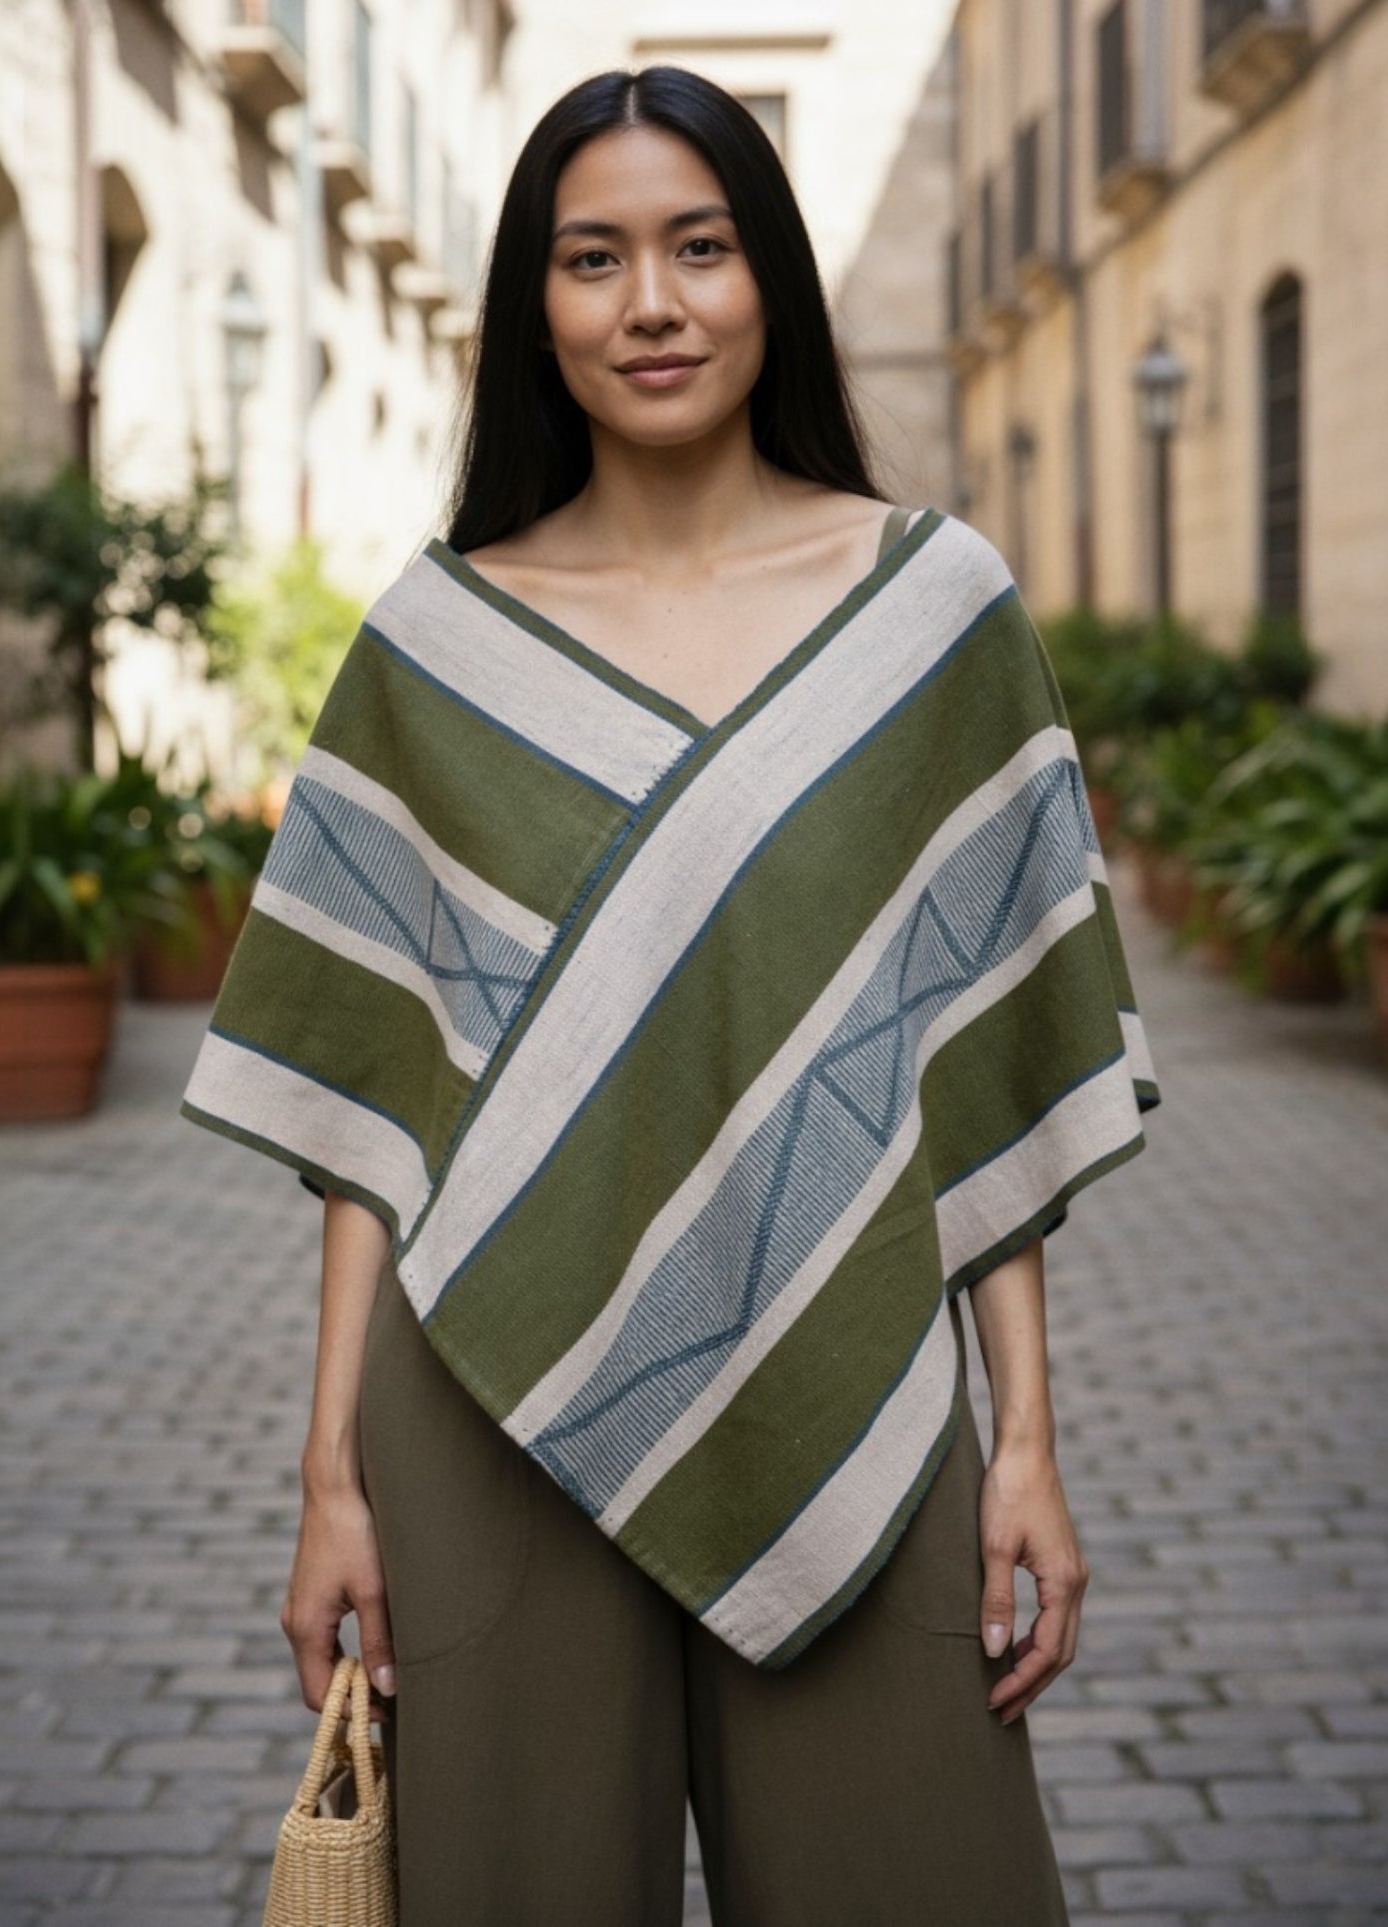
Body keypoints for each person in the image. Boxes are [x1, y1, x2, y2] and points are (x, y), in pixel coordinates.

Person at [181, 64, 1160, 1924]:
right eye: (592, 257)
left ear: (766, 278)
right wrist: (330, 1479)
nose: (650, 303)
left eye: (698, 248)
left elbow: (981, 1062)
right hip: (484, 1400)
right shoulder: (434, 644)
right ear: (531, 308)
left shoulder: (930, 613)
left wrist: (1023, 1442)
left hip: (853, 1373)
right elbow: (370, 1130)